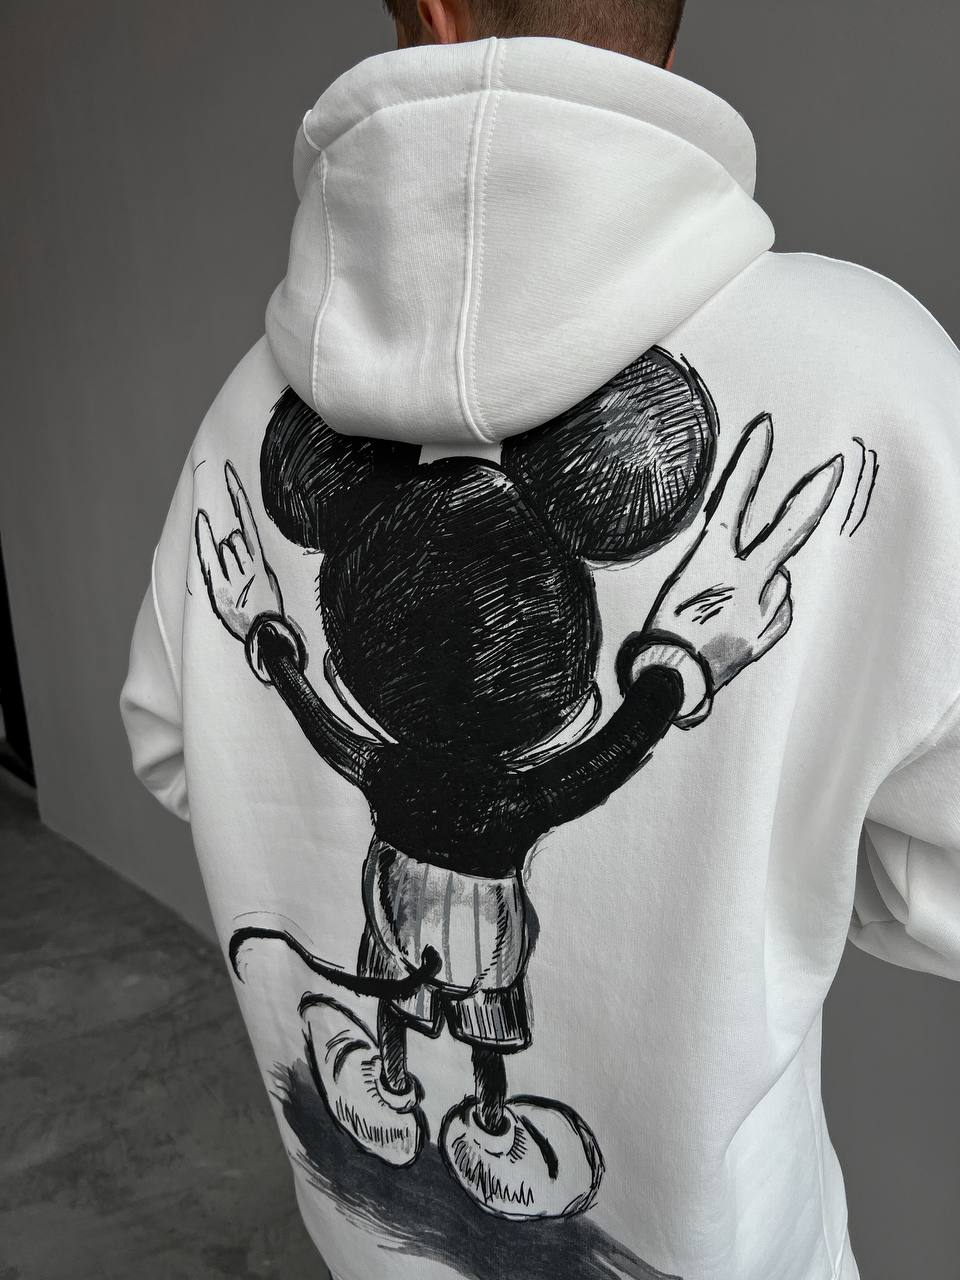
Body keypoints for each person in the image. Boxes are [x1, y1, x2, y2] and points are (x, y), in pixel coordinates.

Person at [120, 1, 960, 1277]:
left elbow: (176, 746)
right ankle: (495, 1122)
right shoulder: (871, 377)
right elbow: (933, 893)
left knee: (403, 990)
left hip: (360, 1240)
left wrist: (269, 643)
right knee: (484, 1015)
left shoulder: (243, 414)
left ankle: (385, 1081)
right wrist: (694, 687)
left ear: (428, 8)